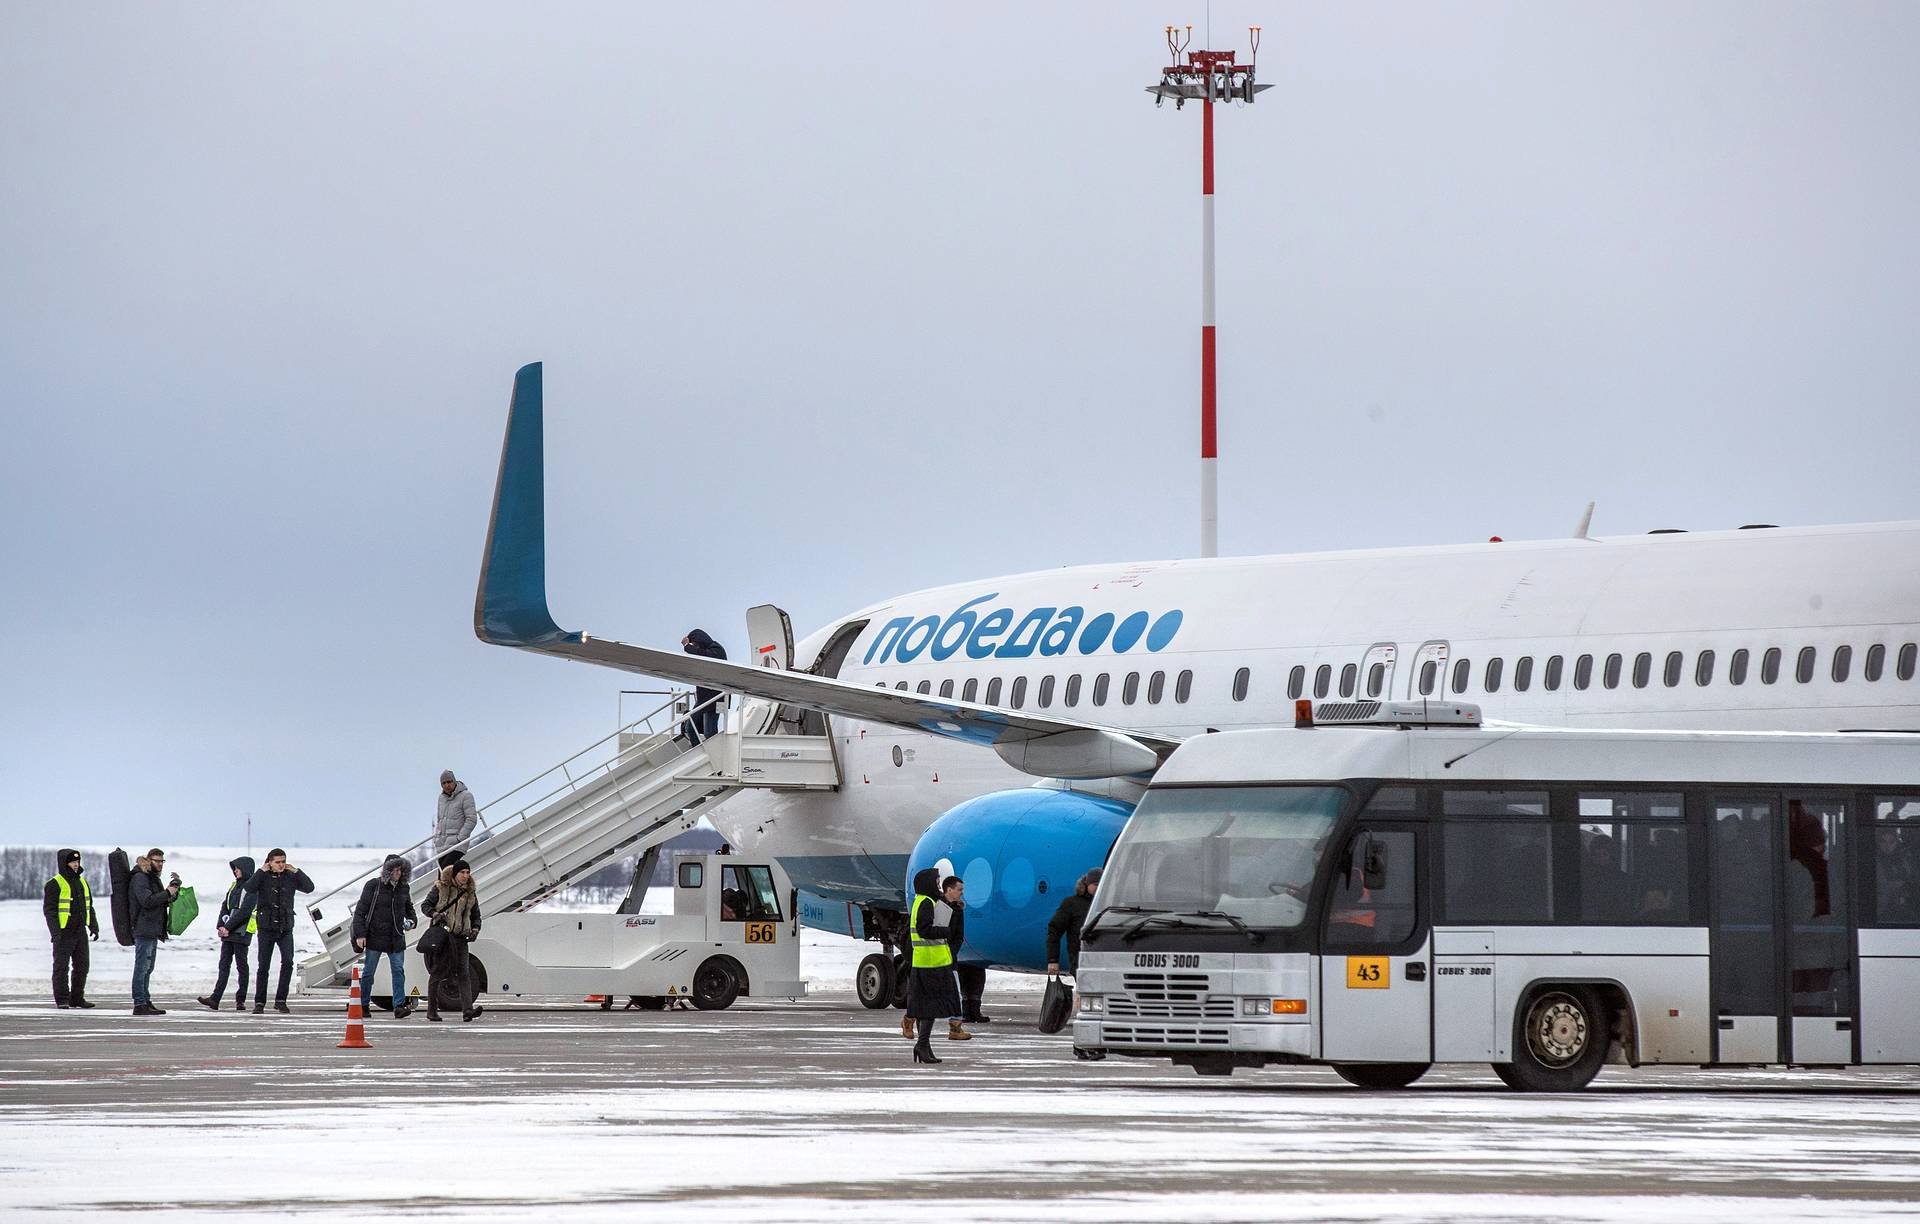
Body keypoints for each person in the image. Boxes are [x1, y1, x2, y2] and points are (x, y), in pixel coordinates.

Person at [903, 867, 961, 1065]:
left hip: (927, 962)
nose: (938, 885)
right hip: (931, 964)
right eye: (936, 882)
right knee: (930, 1008)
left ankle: (924, 1046)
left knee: (925, 1007)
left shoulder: (923, 901)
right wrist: (946, 930)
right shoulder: (926, 903)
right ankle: (922, 1045)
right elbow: (924, 930)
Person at [246, 849, 315, 1014]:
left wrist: (296, 871)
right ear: (269, 862)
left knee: (288, 962)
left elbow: (309, 888)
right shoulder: (262, 877)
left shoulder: (290, 877)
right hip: (266, 928)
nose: (281, 865)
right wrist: (260, 871)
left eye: (283, 861)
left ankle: (281, 1000)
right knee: (264, 966)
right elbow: (249, 888)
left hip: (285, 927)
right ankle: (260, 1002)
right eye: (277, 862)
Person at [353, 855, 417, 1017]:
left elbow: (410, 909)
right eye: (394, 869)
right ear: (387, 870)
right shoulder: (374, 885)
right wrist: (360, 934)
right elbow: (360, 912)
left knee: (398, 971)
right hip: (375, 936)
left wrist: (411, 921)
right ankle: (364, 1004)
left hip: (396, 937)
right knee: (368, 972)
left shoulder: (404, 888)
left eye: (400, 869)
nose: (398, 872)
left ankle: (399, 1006)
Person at [422, 859, 482, 1022]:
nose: (465, 876)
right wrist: (435, 914)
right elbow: (425, 906)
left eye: (468, 872)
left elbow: (476, 914)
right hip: (444, 937)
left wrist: (475, 929)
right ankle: (432, 1010)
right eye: (462, 872)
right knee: (438, 973)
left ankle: (468, 1011)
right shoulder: (441, 887)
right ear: (455, 873)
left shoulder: (470, 892)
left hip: (461, 937)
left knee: (464, 973)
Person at [197, 856, 256, 1012]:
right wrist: (220, 925)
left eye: (237, 868)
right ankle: (215, 999)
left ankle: (240, 1000)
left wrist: (227, 927)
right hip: (228, 932)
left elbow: (245, 911)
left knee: (241, 966)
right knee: (224, 965)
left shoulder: (251, 888)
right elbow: (225, 905)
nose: (235, 871)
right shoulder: (234, 886)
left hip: (242, 932)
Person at [43, 849, 98, 1010]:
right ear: (64, 863)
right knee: (61, 967)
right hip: (63, 932)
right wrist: (55, 932)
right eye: (73, 862)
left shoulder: (82, 882)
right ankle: (62, 999)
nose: (76, 864)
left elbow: (89, 906)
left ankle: (77, 998)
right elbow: (50, 911)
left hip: (80, 931)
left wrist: (93, 926)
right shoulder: (54, 883)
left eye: (78, 861)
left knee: (82, 966)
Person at [128, 849, 180, 1015]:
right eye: (157, 861)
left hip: (152, 929)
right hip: (143, 928)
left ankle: (145, 1000)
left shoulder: (151, 878)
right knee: (142, 967)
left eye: (162, 861)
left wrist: (173, 890)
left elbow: (160, 900)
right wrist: (167, 893)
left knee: (148, 968)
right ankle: (139, 1003)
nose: (159, 864)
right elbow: (147, 901)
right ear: (148, 860)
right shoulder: (140, 878)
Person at [942, 874, 988, 1031]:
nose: (962, 892)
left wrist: (952, 950)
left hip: (950, 954)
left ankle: (969, 1013)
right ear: (949, 890)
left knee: (967, 980)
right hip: (937, 956)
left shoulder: (958, 909)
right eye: (959, 889)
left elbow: (958, 935)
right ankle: (913, 1019)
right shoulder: (940, 907)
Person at [1045, 867, 1101, 976]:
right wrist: (1053, 960)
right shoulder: (1071, 904)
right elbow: (1054, 931)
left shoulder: (1109, 905)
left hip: (1105, 960)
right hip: (1080, 961)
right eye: (1096, 884)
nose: (1099, 888)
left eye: (1102, 884)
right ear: (1086, 884)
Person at [681, 629, 728, 742]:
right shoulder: (709, 650)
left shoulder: (716, 649)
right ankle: (701, 752)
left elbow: (704, 655)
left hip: (715, 697)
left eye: (695, 643)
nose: (696, 646)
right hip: (705, 698)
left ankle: (709, 755)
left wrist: (687, 646)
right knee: (691, 727)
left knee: (709, 731)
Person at [434, 770, 478, 856]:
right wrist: (436, 840)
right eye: (443, 783)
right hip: (442, 846)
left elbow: (471, 819)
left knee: (448, 868)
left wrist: (460, 838)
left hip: (457, 845)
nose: (447, 785)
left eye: (449, 782)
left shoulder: (466, 796)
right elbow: (439, 820)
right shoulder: (441, 798)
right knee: (442, 870)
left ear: (454, 781)